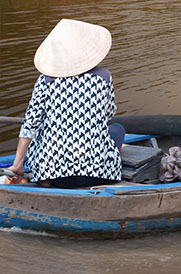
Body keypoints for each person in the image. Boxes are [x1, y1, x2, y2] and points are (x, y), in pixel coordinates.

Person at [3, 19, 123, 188]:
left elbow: (30, 123)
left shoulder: (45, 81)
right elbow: (108, 113)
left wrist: (17, 164)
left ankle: (44, 177)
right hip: (97, 174)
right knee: (117, 129)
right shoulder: (103, 77)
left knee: (39, 132)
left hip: (53, 175)